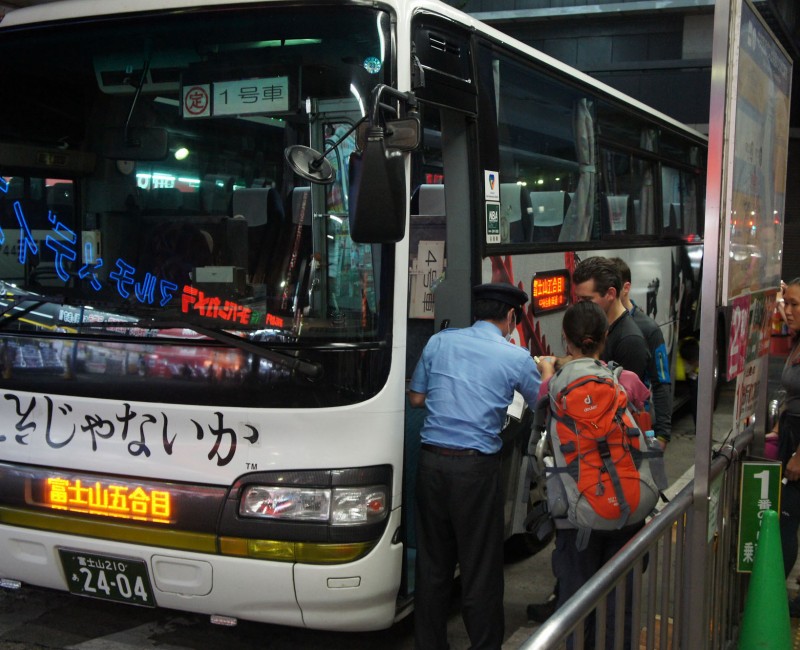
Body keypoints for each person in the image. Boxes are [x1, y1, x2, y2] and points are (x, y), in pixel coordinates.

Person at [408, 282, 542, 650]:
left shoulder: (440, 342)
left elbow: (417, 396)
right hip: (474, 471)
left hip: (431, 465)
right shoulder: (515, 357)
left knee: (433, 568)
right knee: (480, 568)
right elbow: (543, 402)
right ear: (511, 316)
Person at [527, 256, 652, 623]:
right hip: (627, 507)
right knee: (620, 607)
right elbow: (647, 418)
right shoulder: (624, 380)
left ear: (566, 339)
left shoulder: (553, 388)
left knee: (576, 607)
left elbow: (538, 436)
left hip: (578, 513)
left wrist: (549, 372)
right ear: (605, 338)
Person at [611, 257, 673, 446]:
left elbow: (661, 382)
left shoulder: (649, 329)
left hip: (637, 423)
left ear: (625, 288)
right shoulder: (597, 325)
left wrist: (662, 434)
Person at [768, 278, 800, 616]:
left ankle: (776, 602)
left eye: (793, 305)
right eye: (785, 303)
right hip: (792, 433)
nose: (786, 310)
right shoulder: (797, 340)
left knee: (787, 521)